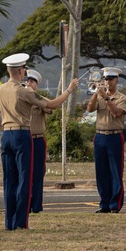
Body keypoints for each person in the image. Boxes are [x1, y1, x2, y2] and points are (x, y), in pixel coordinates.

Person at [0, 53, 44, 231]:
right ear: (21, 71)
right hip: (21, 134)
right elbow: (51, 105)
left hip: (6, 134)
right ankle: (21, 221)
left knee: (9, 180)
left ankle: (9, 221)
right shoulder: (23, 91)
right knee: (24, 179)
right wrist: (68, 91)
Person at [25, 70, 79, 214]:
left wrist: (69, 90)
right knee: (24, 172)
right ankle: (25, 204)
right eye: (28, 80)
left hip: (37, 139)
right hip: (24, 139)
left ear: (37, 85)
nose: (29, 83)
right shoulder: (21, 96)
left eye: (32, 81)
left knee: (38, 173)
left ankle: (36, 205)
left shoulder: (39, 99)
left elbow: (51, 106)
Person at [87, 67, 126, 213]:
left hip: (114, 136)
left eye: (111, 79)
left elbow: (116, 113)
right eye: (106, 79)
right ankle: (104, 203)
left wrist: (106, 98)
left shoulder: (122, 98)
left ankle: (115, 204)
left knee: (115, 171)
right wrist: (95, 93)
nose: (108, 82)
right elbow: (90, 109)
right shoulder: (99, 96)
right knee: (101, 172)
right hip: (100, 136)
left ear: (117, 80)